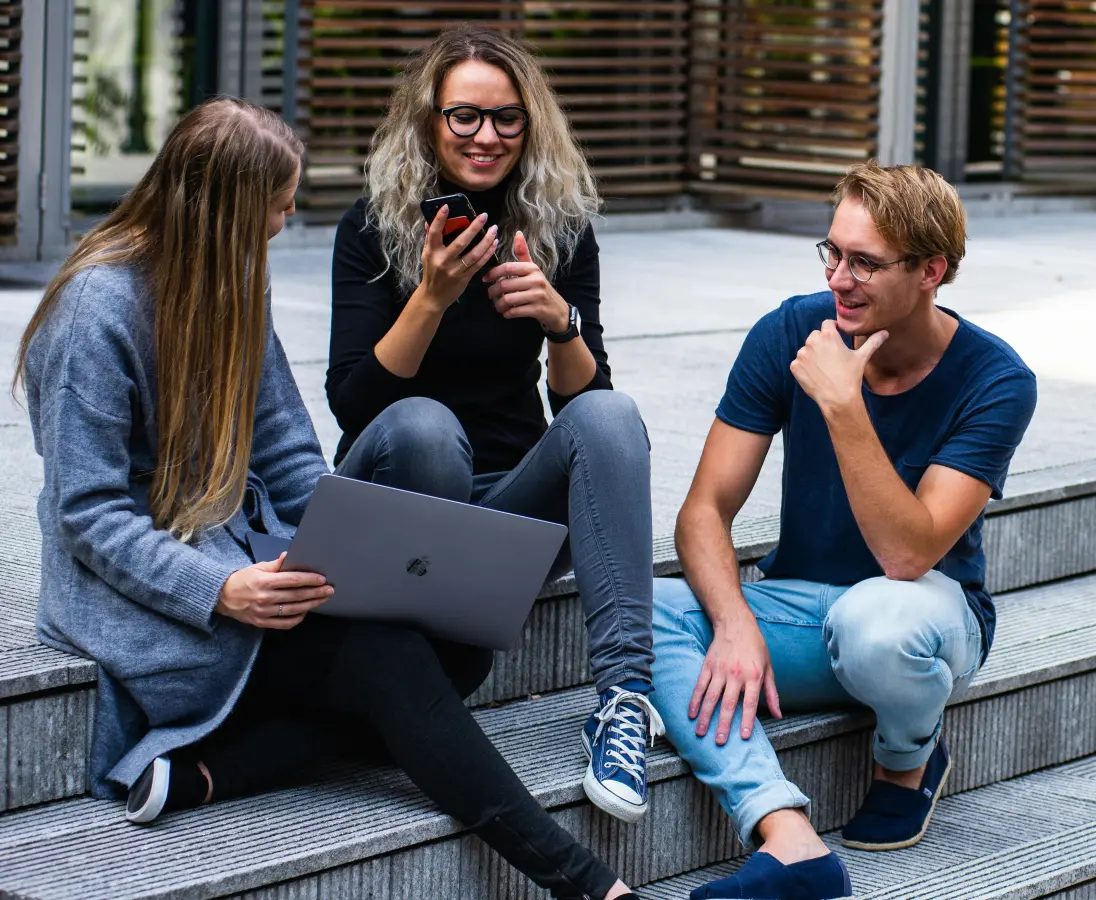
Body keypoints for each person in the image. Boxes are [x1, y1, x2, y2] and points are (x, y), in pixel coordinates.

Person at [18, 97, 637, 900]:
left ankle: (217, 770)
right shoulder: (94, 311)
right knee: (389, 657)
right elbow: (89, 514)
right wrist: (221, 589)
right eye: (277, 208)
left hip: (246, 562)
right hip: (150, 599)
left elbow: (286, 453)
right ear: (225, 208)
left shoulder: (233, 279)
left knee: (459, 653)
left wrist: (348, 548)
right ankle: (586, 882)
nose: (283, 225)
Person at [652, 162, 1038, 899]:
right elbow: (703, 510)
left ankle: (907, 759)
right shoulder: (790, 330)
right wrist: (733, 624)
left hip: (924, 618)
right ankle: (787, 837)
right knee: (644, 610)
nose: (839, 278)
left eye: (865, 262)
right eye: (832, 252)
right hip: (802, 607)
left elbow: (908, 553)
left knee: (877, 623)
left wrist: (843, 404)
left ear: (931, 271)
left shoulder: (996, 380)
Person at [325, 26, 659, 824]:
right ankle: (417, 667)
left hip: (507, 513)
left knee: (613, 415)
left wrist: (559, 321)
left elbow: (586, 412)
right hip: (400, 501)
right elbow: (354, 407)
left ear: (530, 124)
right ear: (429, 121)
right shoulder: (371, 228)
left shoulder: (558, 229)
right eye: (465, 116)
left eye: (507, 118)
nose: (486, 136)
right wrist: (431, 297)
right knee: (425, 427)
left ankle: (624, 702)